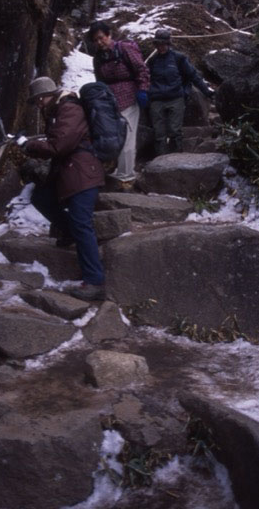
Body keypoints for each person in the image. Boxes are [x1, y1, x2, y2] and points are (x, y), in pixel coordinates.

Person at [23, 76, 106, 301]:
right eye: (36, 101)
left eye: (40, 99)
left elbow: (59, 145)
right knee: (41, 197)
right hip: (70, 173)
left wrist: (28, 145)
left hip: (82, 173)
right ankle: (67, 231)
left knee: (82, 223)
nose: (39, 104)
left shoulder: (69, 109)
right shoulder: (57, 111)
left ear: (49, 95)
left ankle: (95, 281)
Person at [88, 20, 150, 184]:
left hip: (129, 97)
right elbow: (100, 81)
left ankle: (127, 174)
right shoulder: (98, 58)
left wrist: (142, 89)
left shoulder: (124, 49)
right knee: (114, 136)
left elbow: (141, 69)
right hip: (111, 101)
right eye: (95, 40)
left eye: (101, 37)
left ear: (109, 35)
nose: (99, 42)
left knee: (128, 136)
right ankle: (119, 168)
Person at [148, 28, 214, 155]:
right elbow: (145, 78)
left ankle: (177, 157)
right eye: (158, 44)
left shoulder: (179, 58)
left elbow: (193, 75)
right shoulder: (152, 61)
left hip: (175, 98)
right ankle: (160, 159)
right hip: (157, 99)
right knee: (158, 132)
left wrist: (206, 91)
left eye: (163, 44)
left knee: (175, 130)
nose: (161, 47)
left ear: (168, 44)